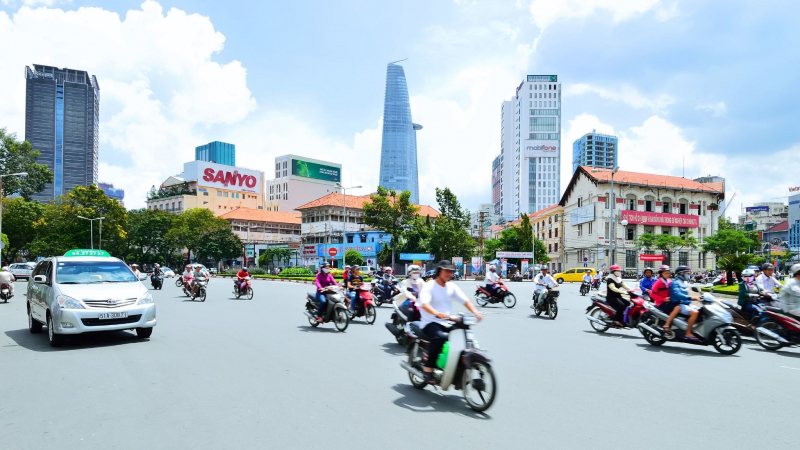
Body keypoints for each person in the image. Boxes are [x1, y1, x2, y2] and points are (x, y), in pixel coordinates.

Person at [418, 260, 483, 384]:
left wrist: (475, 312)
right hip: (430, 321)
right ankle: (428, 368)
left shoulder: (451, 286)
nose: (449, 274)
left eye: (451, 271)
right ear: (439, 271)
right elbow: (424, 304)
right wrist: (436, 313)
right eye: (446, 271)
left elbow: (465, 301)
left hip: (446, 321)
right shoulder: (430, 286)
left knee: (464, 334)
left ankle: (457, 365)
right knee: (440, 337)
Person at [669, 265, 700, 340]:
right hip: (679, 304)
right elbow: (677, 294)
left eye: (689, 272)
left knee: (701, 310)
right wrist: (691, 298)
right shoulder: (675, 282)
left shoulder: (684, 282)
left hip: (686, 304)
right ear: (681, 273)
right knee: (694, 313)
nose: (689, 274)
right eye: (687, 273)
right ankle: (688, 333)